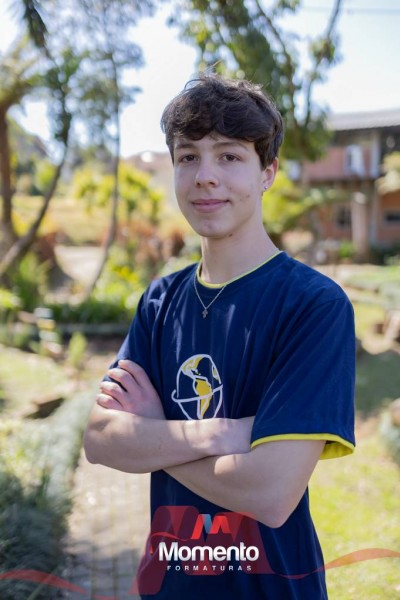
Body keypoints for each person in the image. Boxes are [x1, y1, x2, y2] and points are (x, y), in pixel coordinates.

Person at [83, 72, 356, 599]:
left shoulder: (313, 305)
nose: (205, 177)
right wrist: (225, 433)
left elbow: (270, 493)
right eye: (188, 157)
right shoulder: (160, 301)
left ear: (267, 172)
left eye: (229, 156)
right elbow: (99, 440)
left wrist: (153, 434)